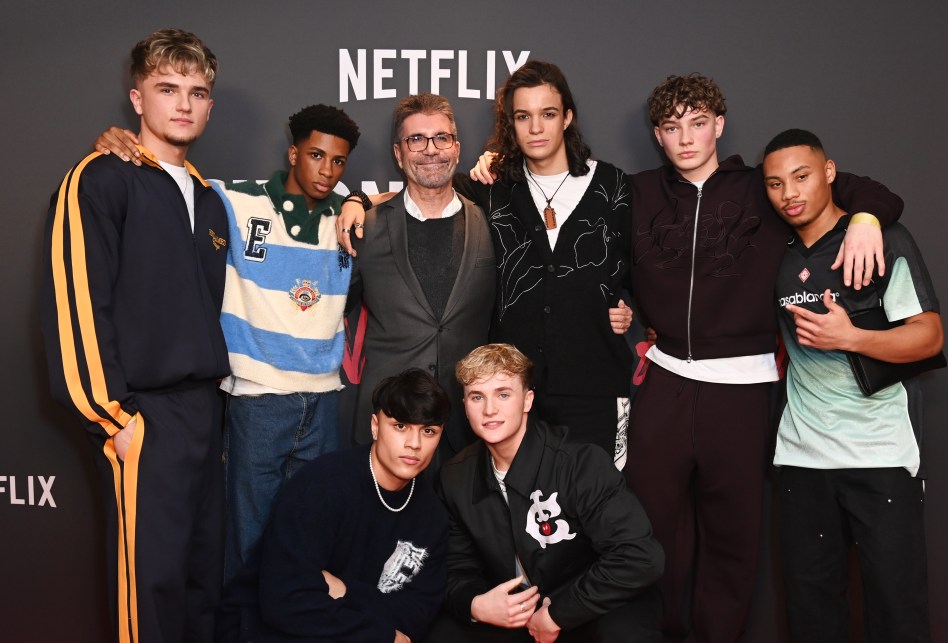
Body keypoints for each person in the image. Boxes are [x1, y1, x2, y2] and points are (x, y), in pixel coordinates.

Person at [623, 73, 905, 642]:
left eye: (698, 124)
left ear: (719, 125)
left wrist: (867, 221)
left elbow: (871, 192)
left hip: (744, 388)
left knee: (733, 539)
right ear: (657, 134)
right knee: (649, 533)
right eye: (673, 128)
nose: (686, 139)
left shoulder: (764, 186)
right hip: (666, 381)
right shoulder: (639, 191)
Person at [93, 105, 383, 585]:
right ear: (293, 153)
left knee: (314, 541)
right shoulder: (233, 201)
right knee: (246, 541)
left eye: (338, 162)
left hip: (324, 399)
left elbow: (410, 196)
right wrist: (118, 144)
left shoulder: (345, 217)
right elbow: (170, 182)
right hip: (256, 399)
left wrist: (361, 200)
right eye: (315, 155)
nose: (326, 170)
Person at [339, 63, 634, 464]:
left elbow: (640, 270)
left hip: (588, 387)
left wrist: (623, 308)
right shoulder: (496, 189)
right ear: (509, 125)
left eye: (547, 114)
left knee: (592, 506)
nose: (535, 128)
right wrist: (356, 199)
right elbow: (420, 189)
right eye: (522, 116)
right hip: (503, 399)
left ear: (567, 117)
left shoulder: (613, 186)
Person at [40, 29, 229, 643]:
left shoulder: (209, 198)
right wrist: (115, 418)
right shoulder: (100, 178)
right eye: (166, 88)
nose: (183, 104)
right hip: (146, 415)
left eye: (197, 93)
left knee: (203, 584)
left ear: (209, 105)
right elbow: (77, 308)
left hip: (207, 411)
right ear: (137, 97)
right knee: (149, 590)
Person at [764, 129, 941, 642]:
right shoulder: (772, 249)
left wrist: (852, 336)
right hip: (802, 457)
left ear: (829, 172)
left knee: (896, 608)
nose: (789, 193)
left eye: (801, 176)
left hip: (879, 453)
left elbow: (929, 337)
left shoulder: (884, 236)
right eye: (775, 184)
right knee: (811, 612)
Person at [427, 343, 663, 643]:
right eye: (477, 397)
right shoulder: (454, 476)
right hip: (516, 611)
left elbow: (640, 557)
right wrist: (476, 604)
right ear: (465, 404)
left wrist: (559, 614)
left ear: (527, 400)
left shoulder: (579, 464)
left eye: (503, 394)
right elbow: (454, 568)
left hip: (593, 605)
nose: (489, 410)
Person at [219, 368, 451, 643]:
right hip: (265, 631)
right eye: (400, 426)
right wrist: (379, 633)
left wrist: (345, 591)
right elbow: (285, 601)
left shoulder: (432, 516)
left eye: (428, 431)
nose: (414, 444)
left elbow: (417, 614)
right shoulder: (322, 485)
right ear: (376, 426)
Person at [346, 93, 496, 464]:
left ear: (457, 149)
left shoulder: (493, 224)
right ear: (399, 154)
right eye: (416, 139)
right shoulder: (366, 226)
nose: (431, 150)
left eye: (441, 138)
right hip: (390, 424)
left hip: (468, 426)